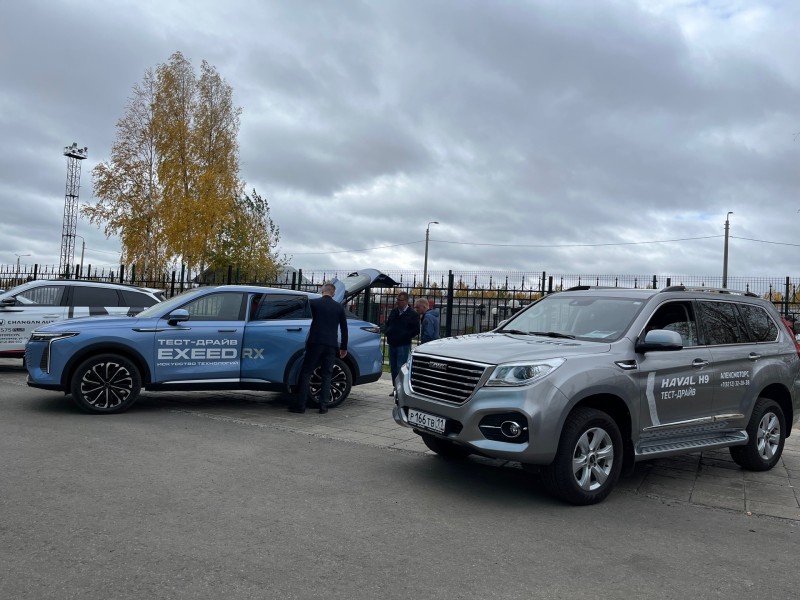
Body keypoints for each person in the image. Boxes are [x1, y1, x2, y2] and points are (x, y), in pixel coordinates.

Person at [289, 282, 348, 414]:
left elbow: (303, 319)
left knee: (306, 372)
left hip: (315, 342)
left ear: (322, 291)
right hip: (331, 345)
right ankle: (323, 406)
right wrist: (343, 347)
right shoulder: (339, 307)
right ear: (333, 293)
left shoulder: (313, 303)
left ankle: (301, 406)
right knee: (327, 375)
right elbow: (344, 329)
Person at [384, 291, 419, 394]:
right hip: (392, 343)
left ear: (406, 301)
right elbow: (388, 323)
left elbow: (416, 329)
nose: (397, 302)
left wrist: (405, 335)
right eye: (397, 300)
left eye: (400, 300)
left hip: (403, 345)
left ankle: (402, 390)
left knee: (401, 367)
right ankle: (395, 388)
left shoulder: (412, 314)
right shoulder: (394, 312)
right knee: (393, 368)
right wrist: (388, 332)